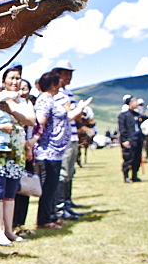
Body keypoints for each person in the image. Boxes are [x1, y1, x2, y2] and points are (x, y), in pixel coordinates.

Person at [0, 66, 36, 246]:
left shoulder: (24, 102)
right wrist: (1, 127)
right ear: (4, 82)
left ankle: (9, 230)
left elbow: (31, 121)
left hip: (16, 154)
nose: (15, 81)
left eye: (18, 78)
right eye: (11, 78)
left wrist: (12, 111)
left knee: (11, 193)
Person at [34, 71, 91, 228]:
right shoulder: (44, 101)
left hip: (56, 151)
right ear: (53, 85)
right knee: (48, 187)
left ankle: (51, 216)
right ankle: (44, 220)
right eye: (58, 83)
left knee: (53, 186)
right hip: (47, 151)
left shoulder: (51, 100)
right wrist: (34, 141)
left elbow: (68, 116)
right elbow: (40, 123)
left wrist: (80, 108)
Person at [52, 61, 81, 218]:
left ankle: (67, 203)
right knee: (63, 172)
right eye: (66, 74)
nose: (69, 77)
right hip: (63, 138)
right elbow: (69, 113)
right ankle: (60, 206)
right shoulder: (56, 94)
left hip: (73, 136)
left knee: (70, 171)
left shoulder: (68, 93)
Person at [12, 78, 37, 233]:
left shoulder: (29, 106)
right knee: (13, 190)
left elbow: (35, 126)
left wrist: (31, 144)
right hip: (13, 151)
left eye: (26, 88)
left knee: (25, 189)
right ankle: (11, 224)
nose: (23, 91)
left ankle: (21, 222)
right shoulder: (9, 103)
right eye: (20, 88)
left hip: (27, 151)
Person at [118, 96, 147, 183]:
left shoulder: (137, 115)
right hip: (129, 141)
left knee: (137, 158)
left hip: (138, 140)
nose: (136, 103)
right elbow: (122, 129)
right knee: (128, 158)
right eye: (135, 101)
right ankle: (126, 177)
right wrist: (124, 140)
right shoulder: (123, 116)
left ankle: (134, 176)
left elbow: (146, 118)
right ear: (130, 103)